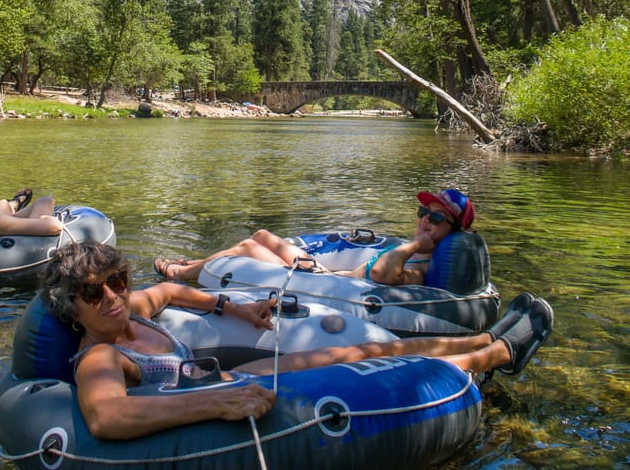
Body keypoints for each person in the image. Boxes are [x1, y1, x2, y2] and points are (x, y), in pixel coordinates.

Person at [41, 241, 554, 440]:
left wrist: (233, 306)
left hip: (227, 375)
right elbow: (108, 416)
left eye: (119, 281)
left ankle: (483, 336)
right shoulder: (100, 355)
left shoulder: (130, 310)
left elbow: (175, 289)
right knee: (371, 364)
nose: (111, 296)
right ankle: (494, 355)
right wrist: (214, 403)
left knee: (369, 349)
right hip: (219, 390)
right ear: (72, 305)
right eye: (93, 292)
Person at [154, 188, 475, 285]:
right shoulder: (413, 253)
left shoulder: (423, 268)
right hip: (325, 274)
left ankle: (182, 273)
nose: (424, 221)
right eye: (423, 213)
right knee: (262, 234)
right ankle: (198, 263)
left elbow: (380, 273)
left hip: (324, 287)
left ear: (452, 231)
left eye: (436, 218)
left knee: (248, 247)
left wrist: (416, 244)